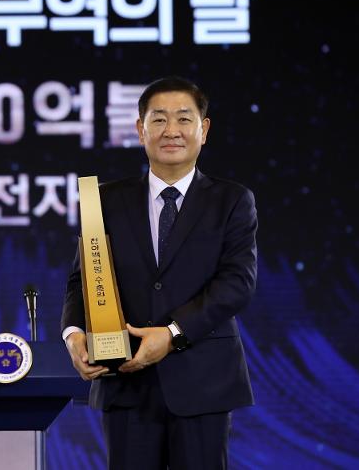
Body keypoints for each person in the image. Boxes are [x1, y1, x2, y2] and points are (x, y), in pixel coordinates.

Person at [61, 76, 257, 469]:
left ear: (204, 129)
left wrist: (171, 335)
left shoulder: (231, 200)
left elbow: (238, 283)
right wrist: (75, 333)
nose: (171, 131)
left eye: (184, 119)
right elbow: (81, 280)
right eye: (159, 119)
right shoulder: (103, 200)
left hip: (204, 381)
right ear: (140, 129)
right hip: (125, 380)